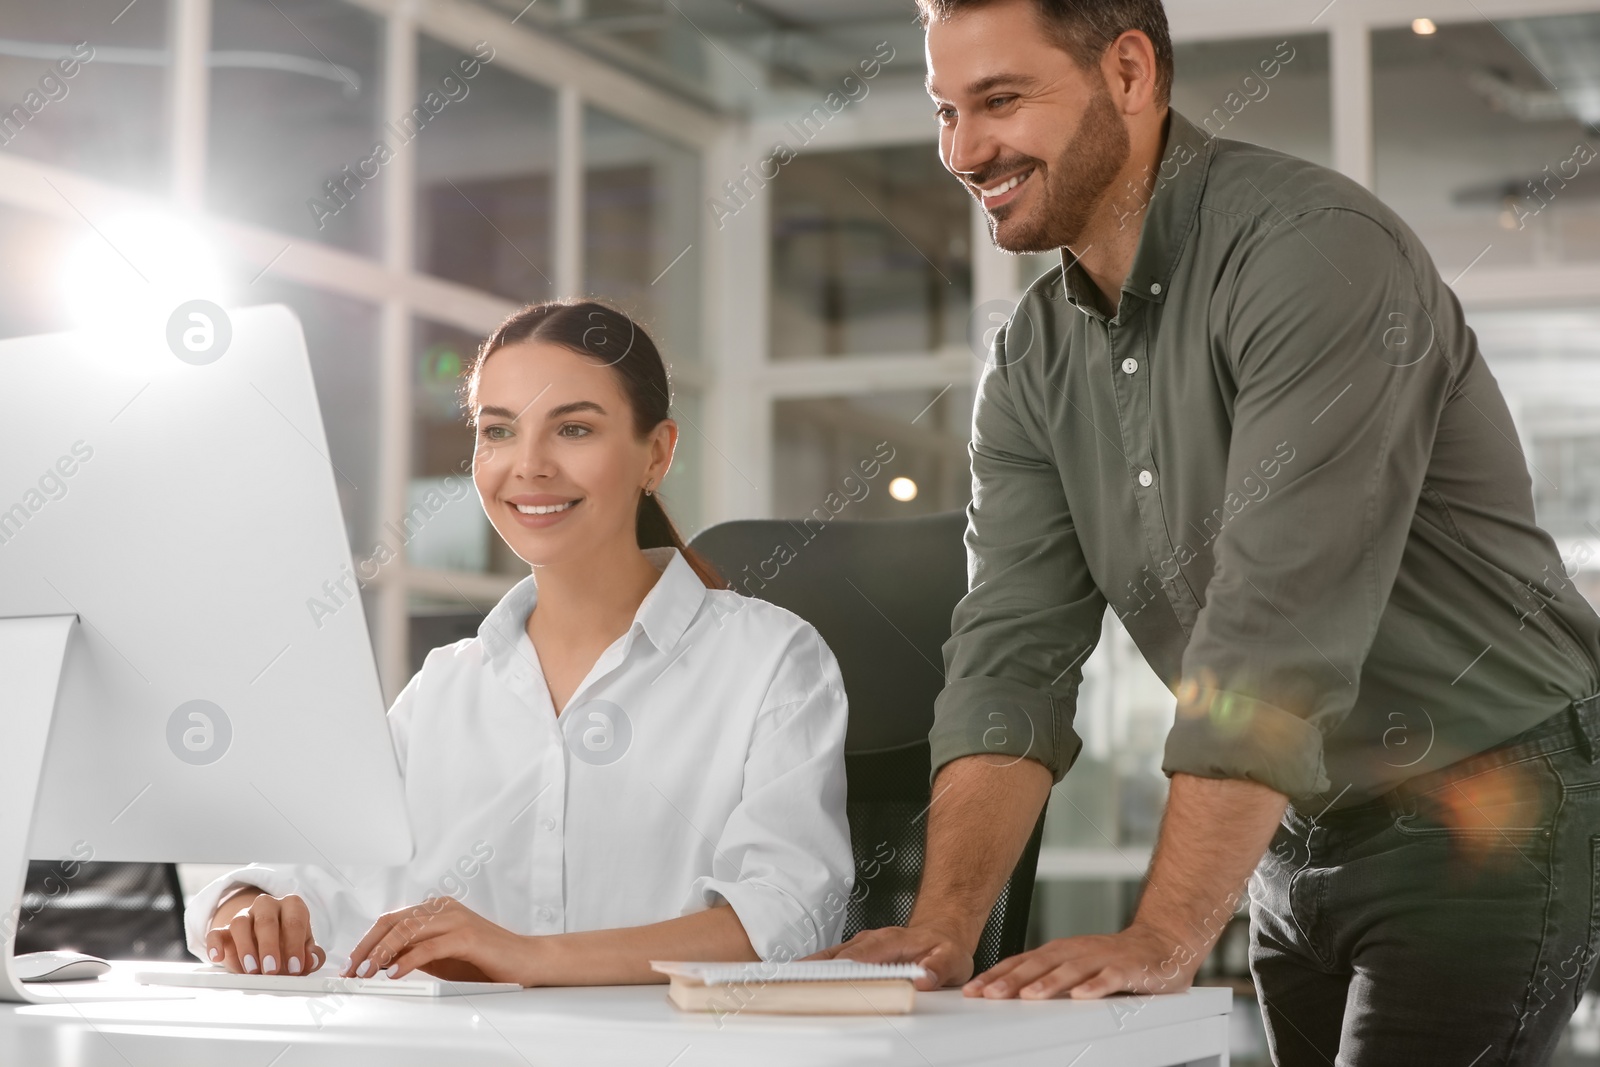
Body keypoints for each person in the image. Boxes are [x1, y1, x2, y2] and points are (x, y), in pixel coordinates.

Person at [820, 1, 1600, 1064]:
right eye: (945, 110)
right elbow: (1011, 656)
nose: (963, 149)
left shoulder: (1315, 256)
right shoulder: (1030, 363)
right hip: (1295, 823)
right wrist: (941, 925)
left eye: (1000, 100)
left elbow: (1273, 628)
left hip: (1490, 795)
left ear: (1130, 73)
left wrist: (1162, 931)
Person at [185, 300, 853, 986]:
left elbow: (791, 915)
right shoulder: (446, 686)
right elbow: (316, 869)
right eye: (498, 430)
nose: (528, 465)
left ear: (656, 453)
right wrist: (248, 904)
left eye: (572, 428)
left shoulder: (770, 660)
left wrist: (530, 957)